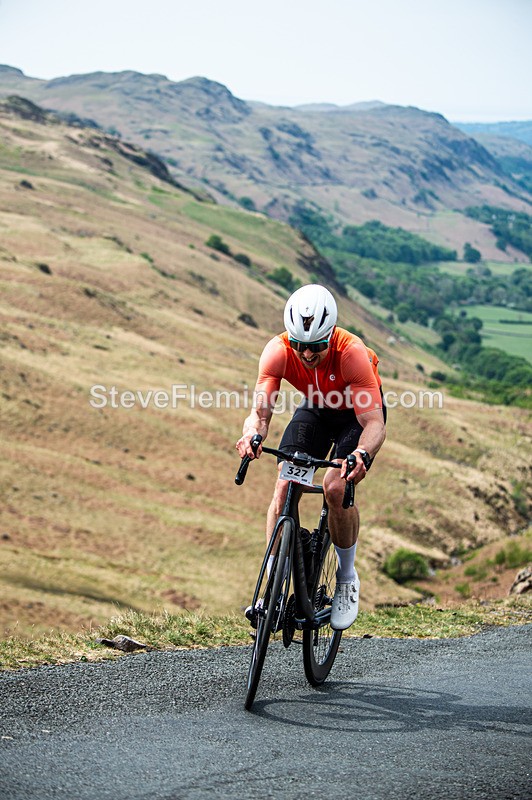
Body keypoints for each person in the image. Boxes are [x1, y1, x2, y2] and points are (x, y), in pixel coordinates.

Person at [236, 284, 386, 630]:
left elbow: (373, 423)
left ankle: (347, 578)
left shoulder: (351, 353)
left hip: (356, 417)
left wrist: (361, 453)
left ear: (330, 336)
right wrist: (251, 435)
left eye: (316, 346)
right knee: (286, 484)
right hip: (317, 409)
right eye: (300, 345)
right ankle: (271, 589)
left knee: (335, 487)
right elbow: (259, 414)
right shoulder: (277, 351)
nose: (306, 354)